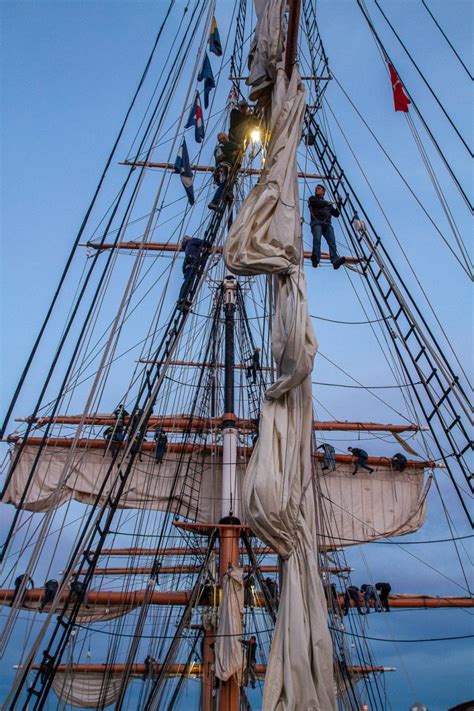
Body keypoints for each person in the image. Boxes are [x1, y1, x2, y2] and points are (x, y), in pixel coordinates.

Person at [308, 184, 345, 270]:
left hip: (327, 224)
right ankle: (316, 259)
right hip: (317, 223)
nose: (316, 190)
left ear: (323, 192)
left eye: (319, 189)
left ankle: (335, 261)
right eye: (316, 189)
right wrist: (327, 203)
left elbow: (336, 214)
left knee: (332, 242)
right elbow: (317, 203)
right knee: (317, 240)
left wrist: (339, 204)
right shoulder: (312, 199)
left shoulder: (328, 205)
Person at [208, 132, 239, 210]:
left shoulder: (217, 148)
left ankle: (226, 195)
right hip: (225, 168)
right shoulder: (227, 144)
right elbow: (238, 147)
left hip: (218, 170)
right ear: (225, 138)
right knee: (224, 185)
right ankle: (214, 202)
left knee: (223, 185)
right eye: (226, 137)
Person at [178, 235, 204, 303]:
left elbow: (183, 269)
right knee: (189, 281)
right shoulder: (193, 240)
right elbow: (203, 242)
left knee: (187, 281)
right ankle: (183, 297)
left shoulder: (187, 248)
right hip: (192, 262)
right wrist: (210, 244)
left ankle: (182, 297)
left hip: (187, 264)